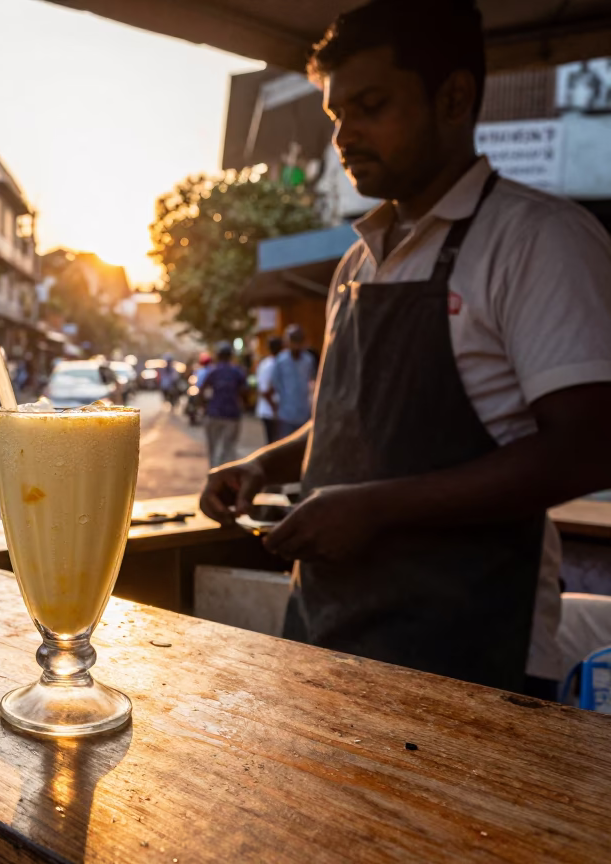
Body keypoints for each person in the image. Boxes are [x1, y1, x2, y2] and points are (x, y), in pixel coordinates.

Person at [199, 0, 611, 699]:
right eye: (335, 116)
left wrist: (376, 509)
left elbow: (588, 445)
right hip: (327, 632)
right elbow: (345, 420)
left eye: (370, 105)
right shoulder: (358, 263)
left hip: (472, 650)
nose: (344, 136)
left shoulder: (537, 240)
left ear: (453, 97)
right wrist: (263, 463)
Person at [201, 343, 250, 468]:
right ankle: (225, 476)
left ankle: (214, 473)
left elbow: (201, 391)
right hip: (232, 415)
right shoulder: (237, 372)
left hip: (214, 414)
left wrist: (205, 407)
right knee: (228, 450)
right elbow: (245, 391)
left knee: (213, 450)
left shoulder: (213, 372)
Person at [270, 325, 316, 439]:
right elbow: (275, 383)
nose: (296, 344)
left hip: (304, 413)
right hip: (286, 414)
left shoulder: (308, 360)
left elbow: (312, 381)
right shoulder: (281, 360)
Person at [255, 336, 283, 444]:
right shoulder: (272, 364)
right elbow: (265, 391)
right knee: (274, 442)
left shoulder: (266, 363)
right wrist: (275, 408)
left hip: (269, 410)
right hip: (271, 411)